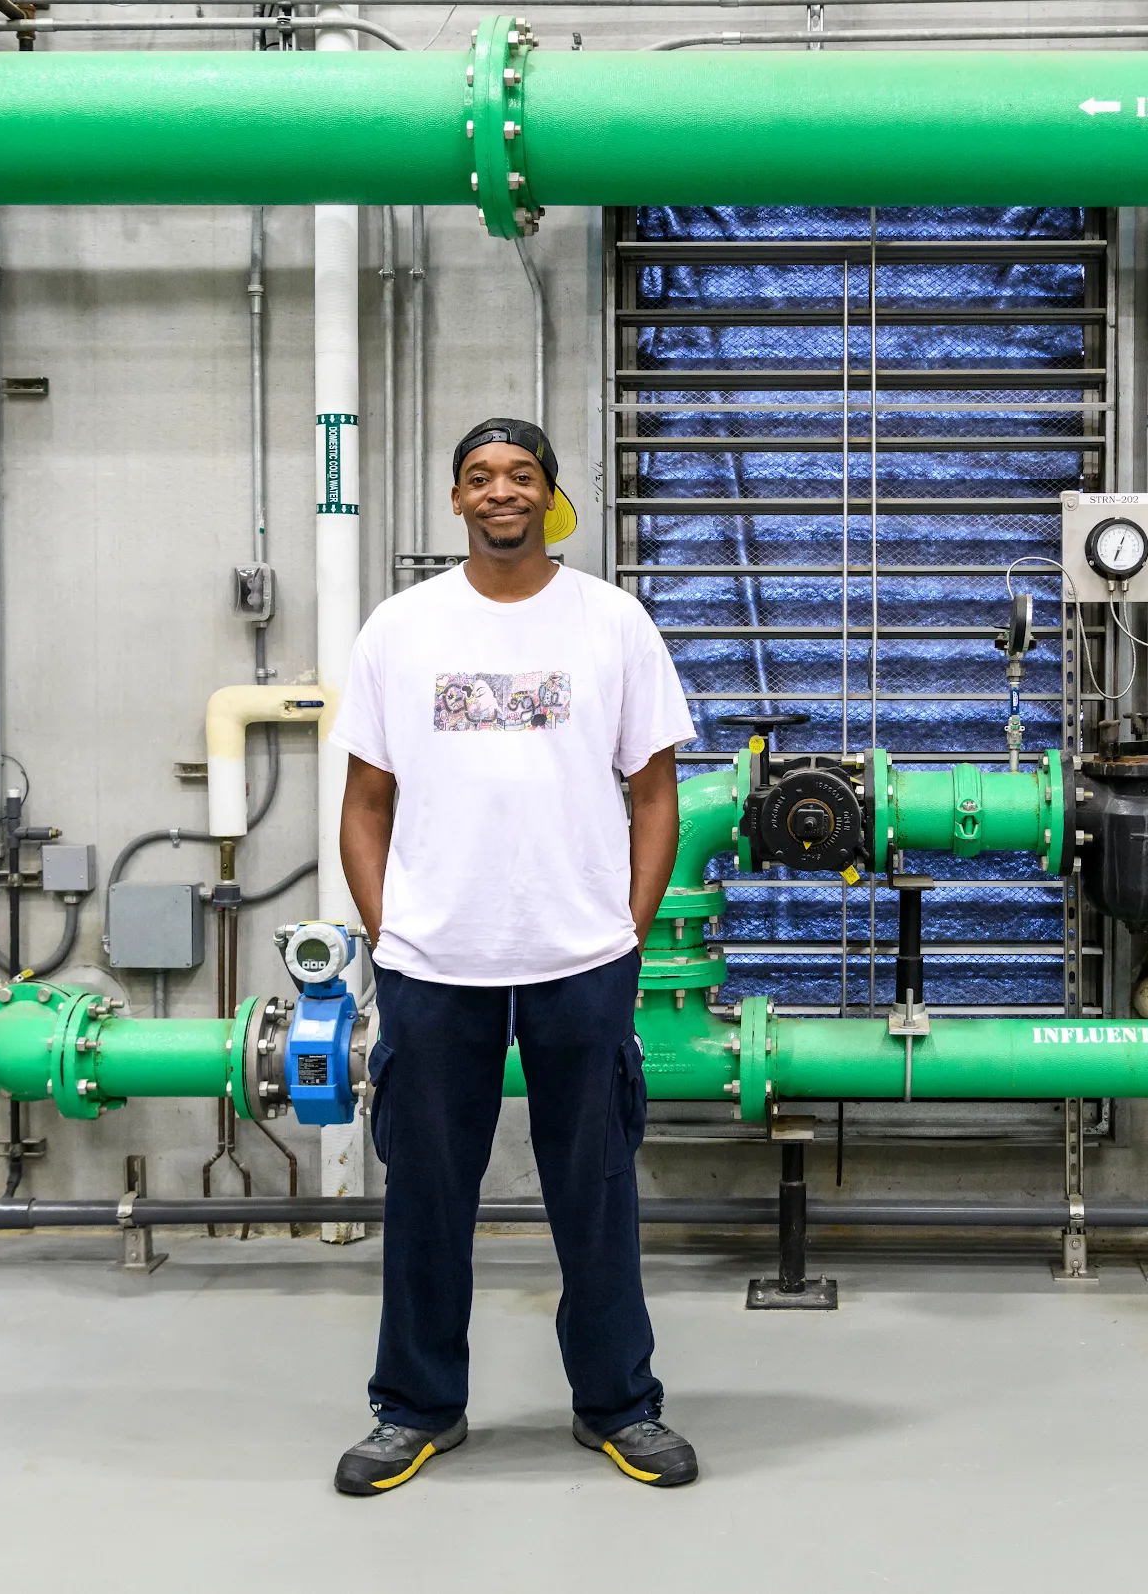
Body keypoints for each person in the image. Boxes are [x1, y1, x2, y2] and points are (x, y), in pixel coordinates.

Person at [328, 416, 701, 1495]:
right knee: (425, 1191)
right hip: (434, 959)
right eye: (480, 477)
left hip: (578, 954)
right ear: (455, 499)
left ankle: (619, 1405)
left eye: (521, 475)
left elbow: (655, 790)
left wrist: (628, 929)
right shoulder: (401, 629)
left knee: (592, 1188)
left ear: (549, 496)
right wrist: (384, 926)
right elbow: (364, 801)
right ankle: (415, 1409)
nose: (501, 492)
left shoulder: (610, 622)